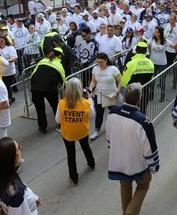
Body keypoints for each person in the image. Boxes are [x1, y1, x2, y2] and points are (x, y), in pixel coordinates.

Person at [106, 82, 159, 215]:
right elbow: (149, 149)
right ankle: (129, 212)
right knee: (143, 186)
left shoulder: (112, 113)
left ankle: (125, 211)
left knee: (124, 186)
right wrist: (154, 167)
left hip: (118, 162)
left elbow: (109, 139)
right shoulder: (143, 121)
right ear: (139, 100)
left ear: (124, 97)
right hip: (137, 165)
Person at [55, 78, 96, 186]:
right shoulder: (86, 103)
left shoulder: (61, 103)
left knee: (71, 154)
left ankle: (74, 177)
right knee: (86, 147)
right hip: (82, 131)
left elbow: (57, 120)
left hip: (67, 133)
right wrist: (90, 99)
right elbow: (92, 115)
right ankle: (91, 164)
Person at [0, 137, 41, 215]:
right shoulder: (15, 194)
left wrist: (33, 198)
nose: (21, 148)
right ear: (11, 157)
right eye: (18, 148)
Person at [30, 47, 65, 134]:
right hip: (49, 88)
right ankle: (61, 123)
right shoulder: (59, 65)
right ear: (59, 56)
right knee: (55, 106)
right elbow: (64, 80)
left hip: (36, 88)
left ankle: (42, 128)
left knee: (40, 109)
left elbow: (33, 75)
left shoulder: (42, 61)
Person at [88, 52, 122, 140]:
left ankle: (118, 128)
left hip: (111, 94)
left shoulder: (113, 69)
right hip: (99, 94)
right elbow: (93, 81)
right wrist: (90, 89)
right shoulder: (95, 68)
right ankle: (96, 131)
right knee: (99, 113)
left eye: (101, 62)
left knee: (114, 112)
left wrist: (117, 92)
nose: (99, 64)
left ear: (106, 60)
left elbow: (120, 81)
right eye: (98, 62)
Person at [122, 42, 154, 112]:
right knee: (142, 111)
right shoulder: (151, 63)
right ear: (146, 51)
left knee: (131, 111)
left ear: (136, 50)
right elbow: (151, 77)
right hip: (145, 92)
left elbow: (124, 81)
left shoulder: (131, 64)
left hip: (131, 93)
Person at [0, 35, 18, 104]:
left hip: (9, 71)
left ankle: (9, 99)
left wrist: (5, 61)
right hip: (0, 72)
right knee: (5, 86)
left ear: (5, 41)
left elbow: (14, 59)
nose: (0, 43)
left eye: (2, 41)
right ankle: (11, 97)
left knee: (6, 86)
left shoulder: (10, 48)